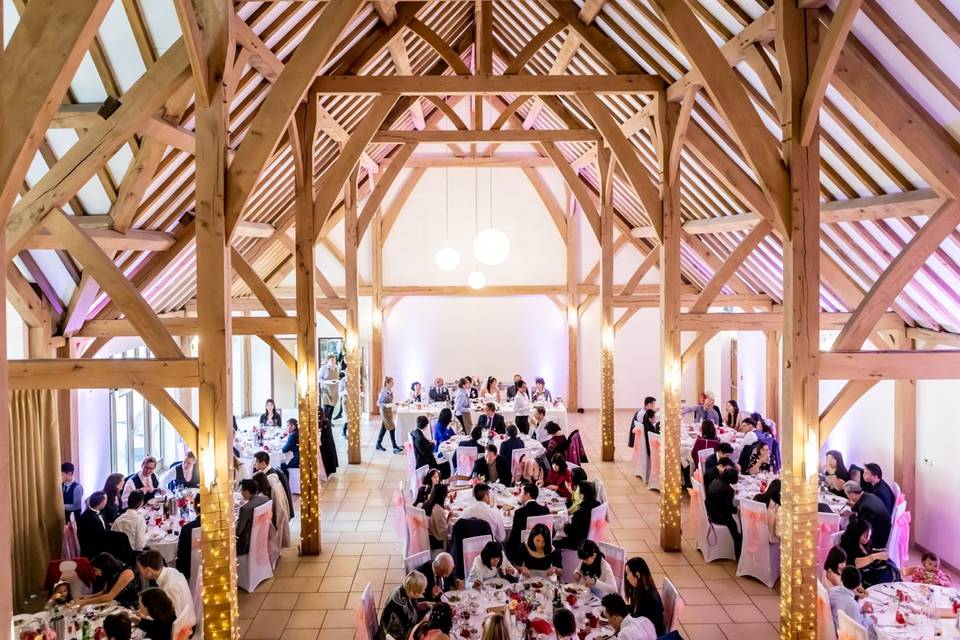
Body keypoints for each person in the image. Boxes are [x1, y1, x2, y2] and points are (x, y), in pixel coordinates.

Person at [136, 549, 196, 631]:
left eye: (140, 570)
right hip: (186, 619)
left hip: (184, 629)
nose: (139, 573)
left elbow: (174, 620)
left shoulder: (169, 588)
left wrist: (146, 616)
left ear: (148, 571)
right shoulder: (172, 571)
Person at [839, 517, 899, 587]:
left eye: (869, 536)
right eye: (865, 536)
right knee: (888, 573)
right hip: (860, 576)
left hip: (869, 570)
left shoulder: (863, 543)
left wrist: (877, 552)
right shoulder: (847, 546)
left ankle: (898, 575)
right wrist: (874, 556)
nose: (867, 539)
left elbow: (867, 553)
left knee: (889, 566)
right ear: (857, 533)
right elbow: (854, 563)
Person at [377, 571, 427, 640]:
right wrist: (422, 623)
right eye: (422, 590)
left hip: (402, 629)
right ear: (414, 591)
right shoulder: (400, 607)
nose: (424, 591)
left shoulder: (405, 590)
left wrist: (425, 604)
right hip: (393, 636)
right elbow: (405, 632)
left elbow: (412, 608)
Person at [828, 566, 876, 634]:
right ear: (859, 584)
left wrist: (861, 609)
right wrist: (871, 620)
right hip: (845, 634)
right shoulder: (852, 604)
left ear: (841, 579)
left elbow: (846, 610)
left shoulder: (832, 590)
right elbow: (859, 629)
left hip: (834, 627)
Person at [706, 467, 741, 558]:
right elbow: (729, 508)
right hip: (720, 516)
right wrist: (737, 509)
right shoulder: (728, 489)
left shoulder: (715, 481)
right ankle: (739, 552)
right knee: (736, 530)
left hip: (711, 512)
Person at [506, 483, 550, 556]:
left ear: (528, 495)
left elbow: (515, 536)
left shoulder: (519, 512)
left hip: (524, 550)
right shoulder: (545, 510)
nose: (520, 495)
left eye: (521, 493)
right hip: (542, 547)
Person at [624, 557, 665, 636]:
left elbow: (647, 630)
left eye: (628, 574)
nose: (627, 578)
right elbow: (634, 611)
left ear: (637, 575)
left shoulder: (650, 600)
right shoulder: (640, 589)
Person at [843, 481, 891, 548]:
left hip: (877, 538)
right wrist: (853, 507)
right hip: (879, 528)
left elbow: (862, 528)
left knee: (846, 536)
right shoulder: (869, 496)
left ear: (851, 493)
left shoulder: (866, 507)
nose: (848, 498)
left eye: (848, 495)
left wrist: (851, 515)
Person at [253, 451, 294, 519]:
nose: (255, 464)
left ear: (263, 463)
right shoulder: (264, 472)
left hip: (272, 511)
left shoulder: (271, 477)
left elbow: (271, 497)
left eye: (256, 461)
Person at [559, 481, 599, 550]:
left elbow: (573, 532)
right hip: (593, 537)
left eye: (577, 491)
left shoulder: (580, 513)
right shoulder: (598, 504)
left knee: (555, 541)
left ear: (582, 495)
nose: (575, 493)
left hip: (579, 542)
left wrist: (566, 525)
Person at [237, 479, 269, 556]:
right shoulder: (265, 499)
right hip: (263, 537)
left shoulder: (245, 509)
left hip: (246, 544)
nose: (241, 493)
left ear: (247, 492)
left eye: (241, 491)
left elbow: (238, 531)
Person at [77, 491, 111, 558]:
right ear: (100, 503)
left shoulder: (99, 511)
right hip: (93, 550)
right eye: (105, 500)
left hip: (101, 540)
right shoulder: (87, 518)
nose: (106, 503)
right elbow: (93, 539)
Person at [176, 494, 200, 581]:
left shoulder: (187, 528)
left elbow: (180, 554)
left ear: (195, 507)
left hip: (188, 569)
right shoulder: (215, 525)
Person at [375, 376, 403, 453]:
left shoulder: (389, 390)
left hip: (389, 410)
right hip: (384, 411)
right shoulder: (383, 391)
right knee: (392, 428)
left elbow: (389, 401)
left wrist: (394, 403)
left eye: (393, 383)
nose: (393, 384)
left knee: (384, 427)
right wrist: (387, 405)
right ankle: (394, 447)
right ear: (387, 383)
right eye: (391, 383)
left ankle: (378, 444)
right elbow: (378, 403)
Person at [423, 483, 450, 550]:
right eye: (446, 494)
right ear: (442, 495)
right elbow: (442, 534)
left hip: (427, 538)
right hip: (436, 543)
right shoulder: (438, 510)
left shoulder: (427, 503)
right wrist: (449, 518)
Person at [319, 356, 339, 422]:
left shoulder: (337, 367)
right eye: (331, 360)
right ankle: (324, 422)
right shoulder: (324, 368)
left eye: (334, 360)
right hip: (326, 390)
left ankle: (329, 421)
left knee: (332, 407)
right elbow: (318, 378)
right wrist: (325, 382)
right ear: (328, 361)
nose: (333, 362)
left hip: (335, 390)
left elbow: (337, 377)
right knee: (326, 407)